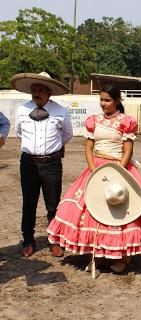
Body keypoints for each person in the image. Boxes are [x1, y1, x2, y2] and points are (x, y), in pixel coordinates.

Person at [47, 85, 141, 273]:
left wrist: (118, 171)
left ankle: (124, 258)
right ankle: (97, 256)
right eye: (101, 99)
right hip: (96, 170)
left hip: (119, 168)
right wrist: (94, 170)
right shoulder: (93, 121)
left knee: (122, 211)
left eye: (107, 100)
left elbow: (128, 150)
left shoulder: (126, 122)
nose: (103, 103)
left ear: (117, 101)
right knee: (94, 212)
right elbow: (88, 148)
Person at [12, 71, 73, 258]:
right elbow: (19, 132)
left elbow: (67, 134)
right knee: (29, 203)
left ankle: (54, 240)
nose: (36, 93)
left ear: (49, 92)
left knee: (53, 204)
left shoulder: (60, 111)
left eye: (40, 90)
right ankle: (28, 240)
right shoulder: (22, 110)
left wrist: (53, 149)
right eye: (34, 90)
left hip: (52, 164)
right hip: (28, 163)